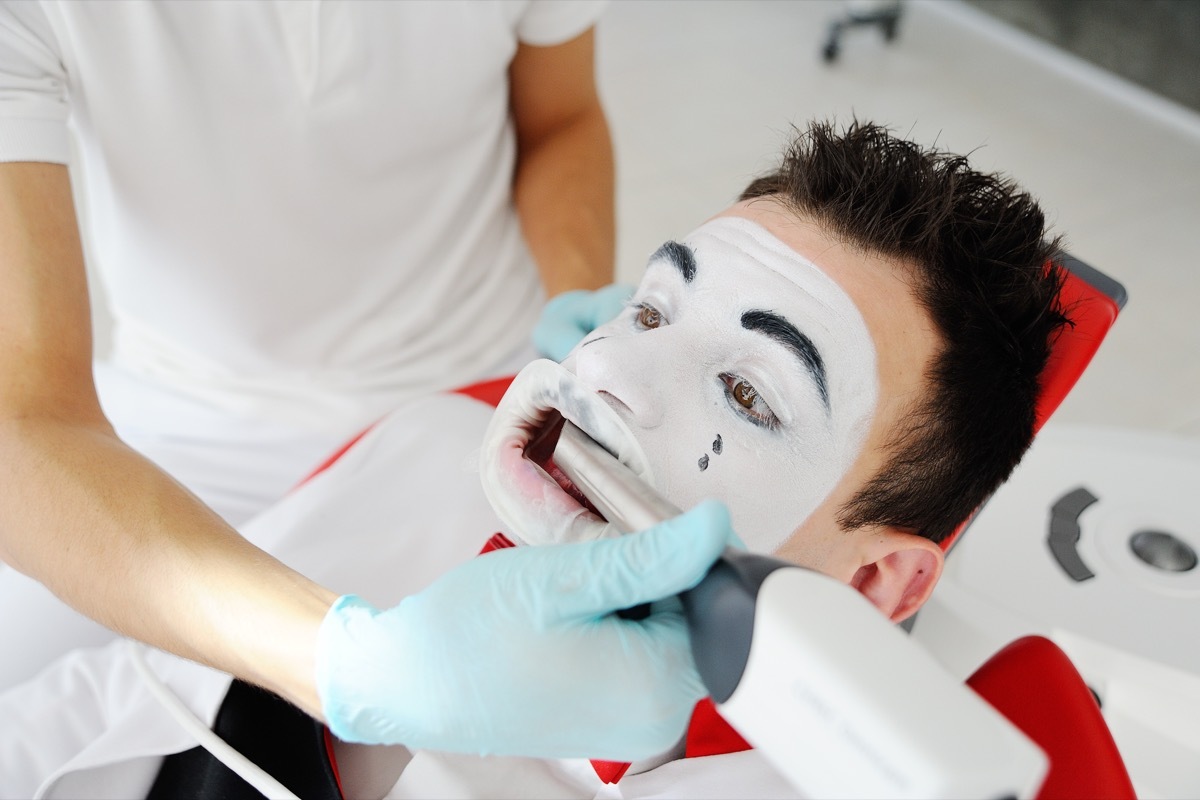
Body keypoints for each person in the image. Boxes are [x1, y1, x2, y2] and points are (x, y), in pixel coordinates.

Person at [0, 119, 1069, 798]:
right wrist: (352, 667)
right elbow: (105, 700)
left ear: (877, 580)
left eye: (746, 391)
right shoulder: (426, 452)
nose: (609, 372)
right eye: (652, 305)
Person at [0, 0, 732, 763]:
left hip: (475, 396)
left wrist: (577, 307)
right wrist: (347, 664)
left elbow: (560, 119)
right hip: (180, 421)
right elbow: (24, 424)